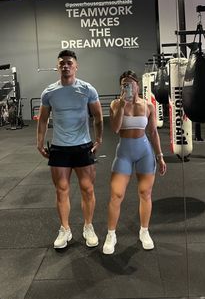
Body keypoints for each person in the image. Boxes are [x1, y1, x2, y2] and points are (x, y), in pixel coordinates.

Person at [37, 49, 103, 249]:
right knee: (61, 190)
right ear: (58, 66)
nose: (65, 66)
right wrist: (39, 143)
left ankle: (88, 227)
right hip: (59, 148)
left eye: (69, 63)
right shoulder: (49, 92)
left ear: (76, 66)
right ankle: (65, 229)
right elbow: (42, 120)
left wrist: (98, 139)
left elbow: (98, 117)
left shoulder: (87, 89)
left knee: (88, 189)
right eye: (62, 63)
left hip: (83, 146)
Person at [102, 70, 166, 255]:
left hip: (144, 152)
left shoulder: (148, 106)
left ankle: (144, 231)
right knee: (116, 194)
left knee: (145, 193)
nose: (127, 86)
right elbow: (114, 129)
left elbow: (153, 132)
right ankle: (111, 234)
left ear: (137, 84)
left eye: (130, 83)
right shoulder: (115, 104)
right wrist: (122, 105)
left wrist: (160, 156)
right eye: (124, 84)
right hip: (124, 153)